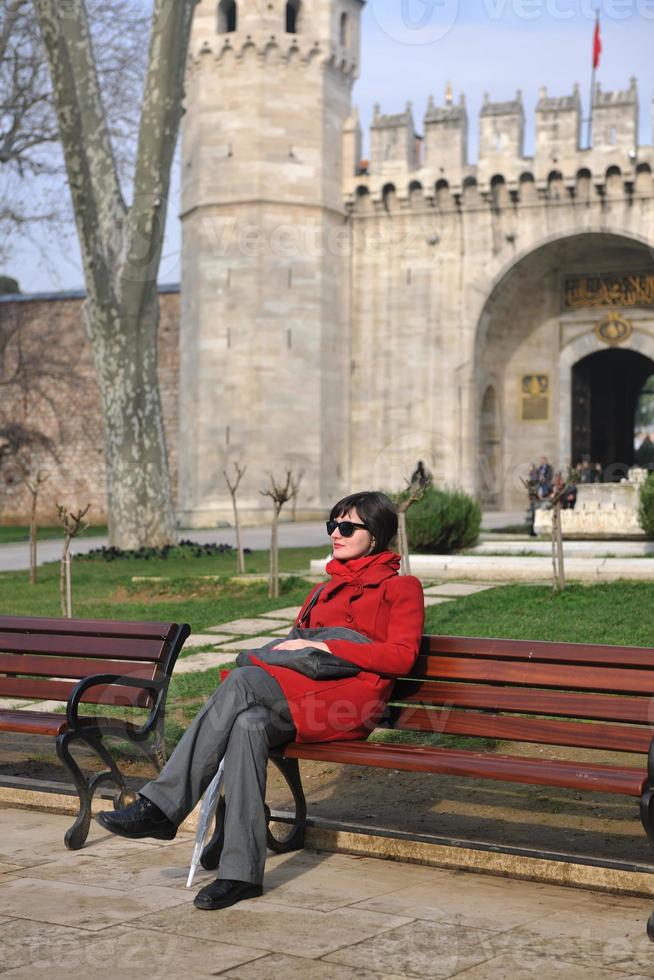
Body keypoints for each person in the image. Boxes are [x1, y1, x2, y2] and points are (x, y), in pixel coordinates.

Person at [97, 491, 424, 911]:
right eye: (332, 526)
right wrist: (303, 648)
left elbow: (401, 656)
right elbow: (293, 653)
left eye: (347, 527)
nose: (336, 535)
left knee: (243, 681)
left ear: (375, 535)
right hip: (301, 698)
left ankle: (162, 807)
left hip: (352, 704)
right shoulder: (321, 593)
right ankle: (240, 874)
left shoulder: (401, 588)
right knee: (249, 722)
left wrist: (329, 650)